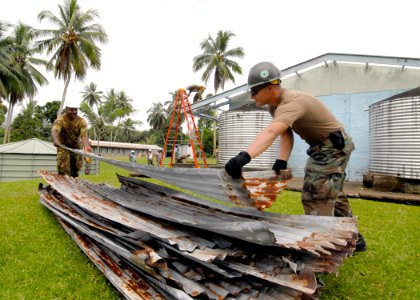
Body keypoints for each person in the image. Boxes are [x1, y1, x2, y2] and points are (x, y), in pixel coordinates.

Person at [224, 62, 366, 252]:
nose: (252, 96)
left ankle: (324, 250)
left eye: (255, 91)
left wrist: (244, 157)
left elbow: (272, 131)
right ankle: (354, 239)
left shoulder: (292, 102)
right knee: (332, 192)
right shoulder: (274, 106)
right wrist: (281, 161)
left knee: (316, 193)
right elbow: (285, 133)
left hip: (332, 147)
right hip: (325, 146)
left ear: (270, 88)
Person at [51, 106, 92, 177]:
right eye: (71, 109)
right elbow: (55, 130)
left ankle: (73, 184)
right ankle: (63, 185)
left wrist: (86, 147)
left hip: (76, 146)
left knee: (76, 168)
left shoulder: (81, 121)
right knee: (63, 168)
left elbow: (84, 135)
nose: (74, 111)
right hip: (63, 146)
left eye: (75, 109)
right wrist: (55, 139)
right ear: (66, 109)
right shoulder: (60, 120)